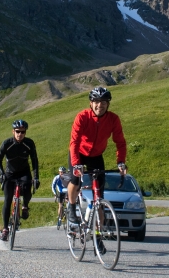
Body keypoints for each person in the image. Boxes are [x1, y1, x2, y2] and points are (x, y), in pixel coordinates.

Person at [66, 86, 128, 239]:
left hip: (96, 155)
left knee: (98, 195)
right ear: (91, 103)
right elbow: (74, 142)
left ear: (108, 104)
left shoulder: (113, 119)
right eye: (97, 102)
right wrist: (76, 164)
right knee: (75, 180)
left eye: (104, 102)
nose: (100, 105)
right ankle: (71, 207)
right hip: (79, 153)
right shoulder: (82, 117)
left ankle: (98, 233)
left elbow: (120, 142)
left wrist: (121, 162)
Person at [0, 119, 40, 241]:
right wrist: (1, 174)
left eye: (22, 132)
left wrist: (36, 177)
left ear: (25, 132)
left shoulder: (29, 143)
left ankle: (25, 206)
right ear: (13, 131)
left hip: (24, 173)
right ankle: (5, 229)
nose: (20, 134)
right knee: (8, 199)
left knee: (27, 189)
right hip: (9, 174)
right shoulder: (7, 143)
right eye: (17, 131)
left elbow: (34, 160)